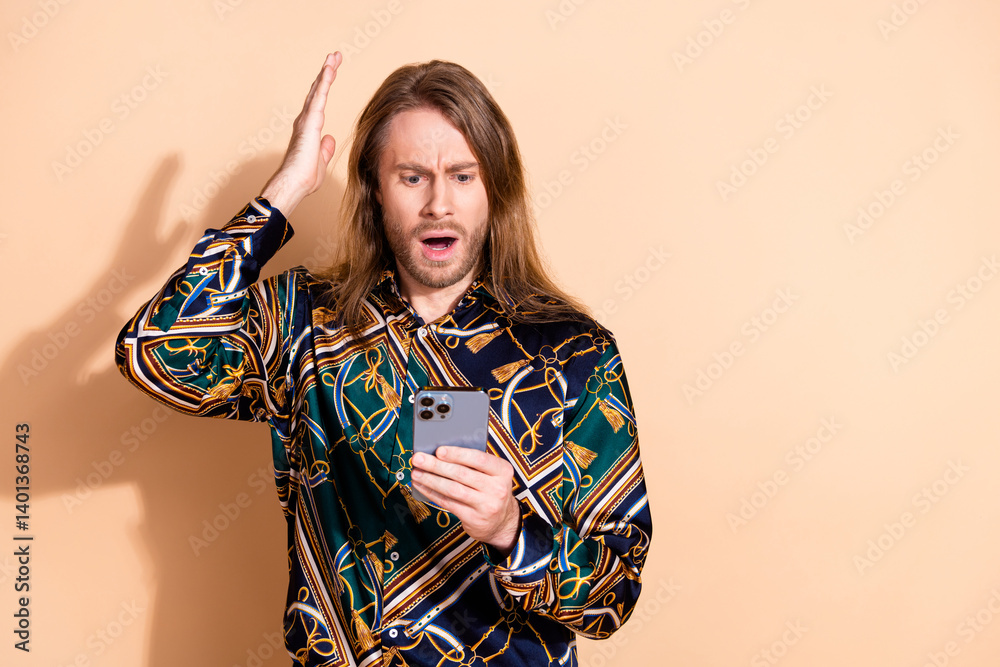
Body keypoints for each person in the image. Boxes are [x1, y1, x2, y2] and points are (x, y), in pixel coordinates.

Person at [116, 51, 651, 666]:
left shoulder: (574, 352)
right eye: (413, 176)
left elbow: (618, 593)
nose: (439, 205)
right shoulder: (303, 323)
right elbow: (155, 357)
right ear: (374, 189)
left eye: (463, 175)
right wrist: (285, 192)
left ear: (494, 189)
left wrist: (510, 529)